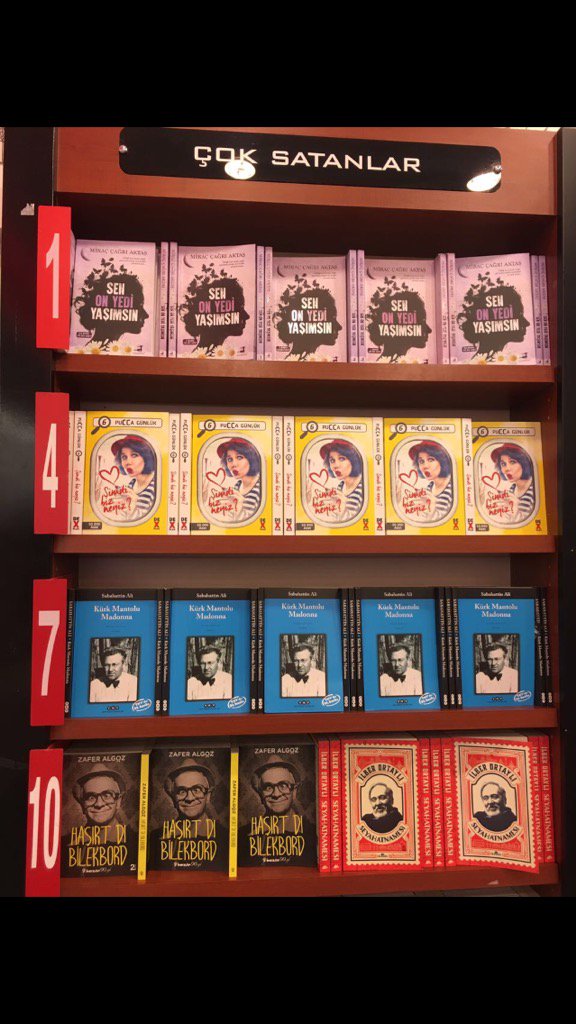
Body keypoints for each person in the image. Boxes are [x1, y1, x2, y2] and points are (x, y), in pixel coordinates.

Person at [149, 758, 228, 870]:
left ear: (208, 796)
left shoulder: (225, 837)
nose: (189, 798)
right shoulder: (156, 838)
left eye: (197, 789)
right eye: (181, 791)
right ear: (173, 798)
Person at [237, 755, 316, 866]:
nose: (276, 794)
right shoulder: (241, 836)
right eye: (268, 787)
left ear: (294, 792)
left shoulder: (312, 834)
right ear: (260, 795)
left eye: (283, 785)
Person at [110, 434, 157, 521]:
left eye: (134, 455)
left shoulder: (155, 487)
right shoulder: (131, 484)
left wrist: (133, 508)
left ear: (146, 458)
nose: (128, 462)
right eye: (124, 457)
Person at [215, 437, 262, 522]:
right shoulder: (237, 486)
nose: (233, 464)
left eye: (239, 457)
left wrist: (239, 507)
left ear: (251, 459)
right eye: (229, 459)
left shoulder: (260, 488)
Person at [406, 439, 454, 522]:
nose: (425, 466)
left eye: (431, 460)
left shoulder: (452, 489)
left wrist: (432, 509)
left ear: (442, 462)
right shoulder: (429, 487)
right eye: (421, 461)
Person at [319, 439, 365, 521]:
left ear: (353, 460)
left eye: (342, 459)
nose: (335, 465)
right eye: (332, 460)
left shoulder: (363, 489)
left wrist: (343, 510)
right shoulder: (341, 486)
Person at [490, 443, 536, 523]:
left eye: (512, 462)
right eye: (503, 464)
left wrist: (515, 511)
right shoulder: (512, 489)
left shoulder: (534, 491)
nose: (507, 469)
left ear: (524, 463)